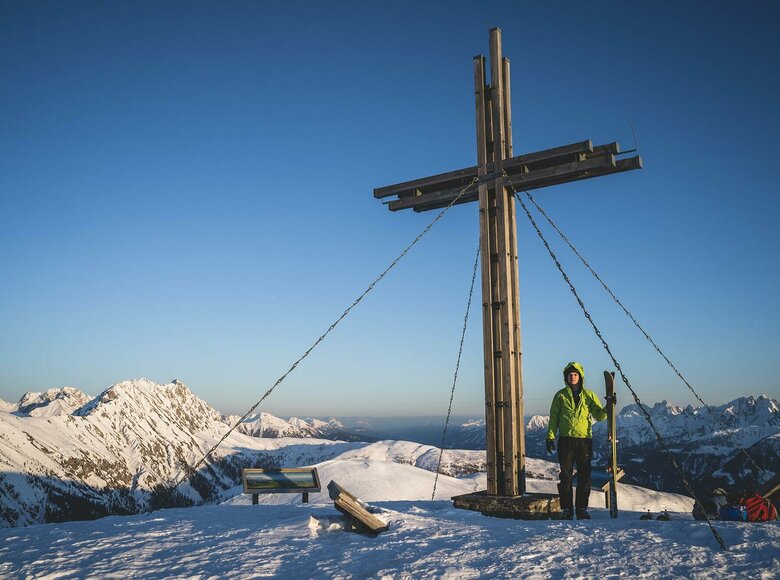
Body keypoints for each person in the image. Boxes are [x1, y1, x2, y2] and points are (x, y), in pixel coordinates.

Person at [546, 361, 607, 520]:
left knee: (585, 476)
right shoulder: (560, 395)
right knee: (565, 475)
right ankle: (567, 509)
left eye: (575, 374)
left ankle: (581, 509)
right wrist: (550, 436)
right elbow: (554, 418)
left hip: (584, 440)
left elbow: (600, 416)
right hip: (565, 440)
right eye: (570, 374)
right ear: (566, 377)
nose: (572, 377)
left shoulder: (589, 395)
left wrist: (608, 406)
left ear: (580, 377)